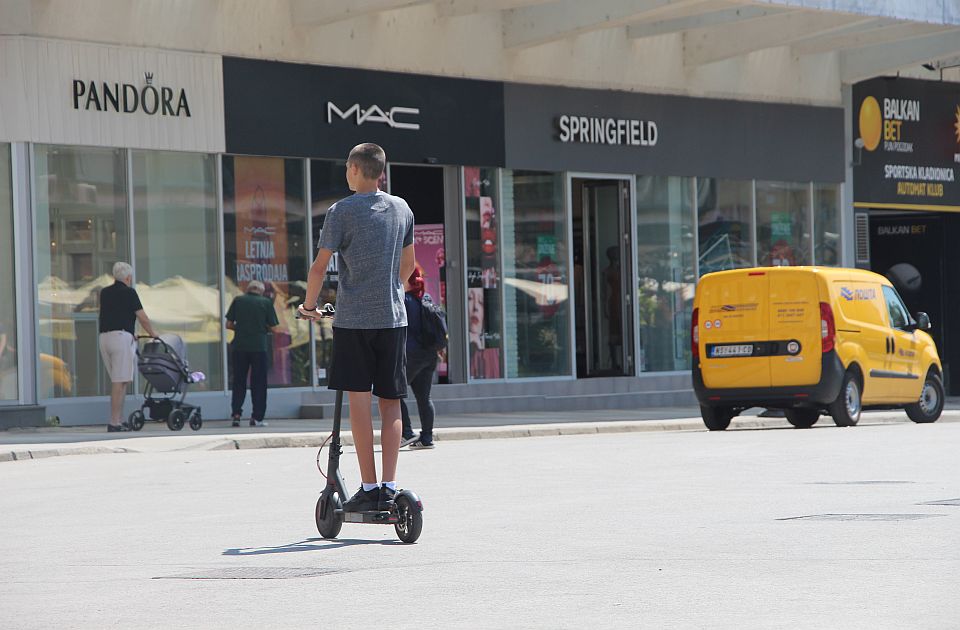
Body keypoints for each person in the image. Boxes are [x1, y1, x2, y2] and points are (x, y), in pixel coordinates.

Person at [299, 143, 416, 513]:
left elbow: (319, 267)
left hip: (353, 322)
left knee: (359, 401)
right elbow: (408, 266)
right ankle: (391, 485)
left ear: (353, 168)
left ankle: (368, 486)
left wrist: (309, 307)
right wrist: (389, 290)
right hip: (393, 318)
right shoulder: (401, 209)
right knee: (391, 402)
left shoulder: (341, 211)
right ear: (381, 171)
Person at [99, 261, 157, 432]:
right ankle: (114, 422)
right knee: (120, 382)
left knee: (119, 380)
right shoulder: (129, 292)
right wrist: (153, 333)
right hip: (120, 338)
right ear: (128, 277)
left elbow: (113, 314)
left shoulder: (105, 292)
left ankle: (118, 419)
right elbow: (142, 317)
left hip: (104, 337)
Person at [225, 279, 280, 427]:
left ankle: (236, 414)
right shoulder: (266, 302)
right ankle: (257, 418)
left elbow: (229, 324)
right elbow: (275, 328)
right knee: (259, 383)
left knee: (239, 381)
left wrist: (242, 329)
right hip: (259, 348)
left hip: (239, 347)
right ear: (261, 291)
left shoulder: (238, 300)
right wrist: (261, 328)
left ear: (248, 289)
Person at [400, 266, 437, 450]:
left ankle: (406, 432)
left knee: (392, 393)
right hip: (429, 355)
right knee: (424, 397)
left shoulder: (404, 300)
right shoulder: (426, 299)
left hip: (411, 354)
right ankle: (427, 438)